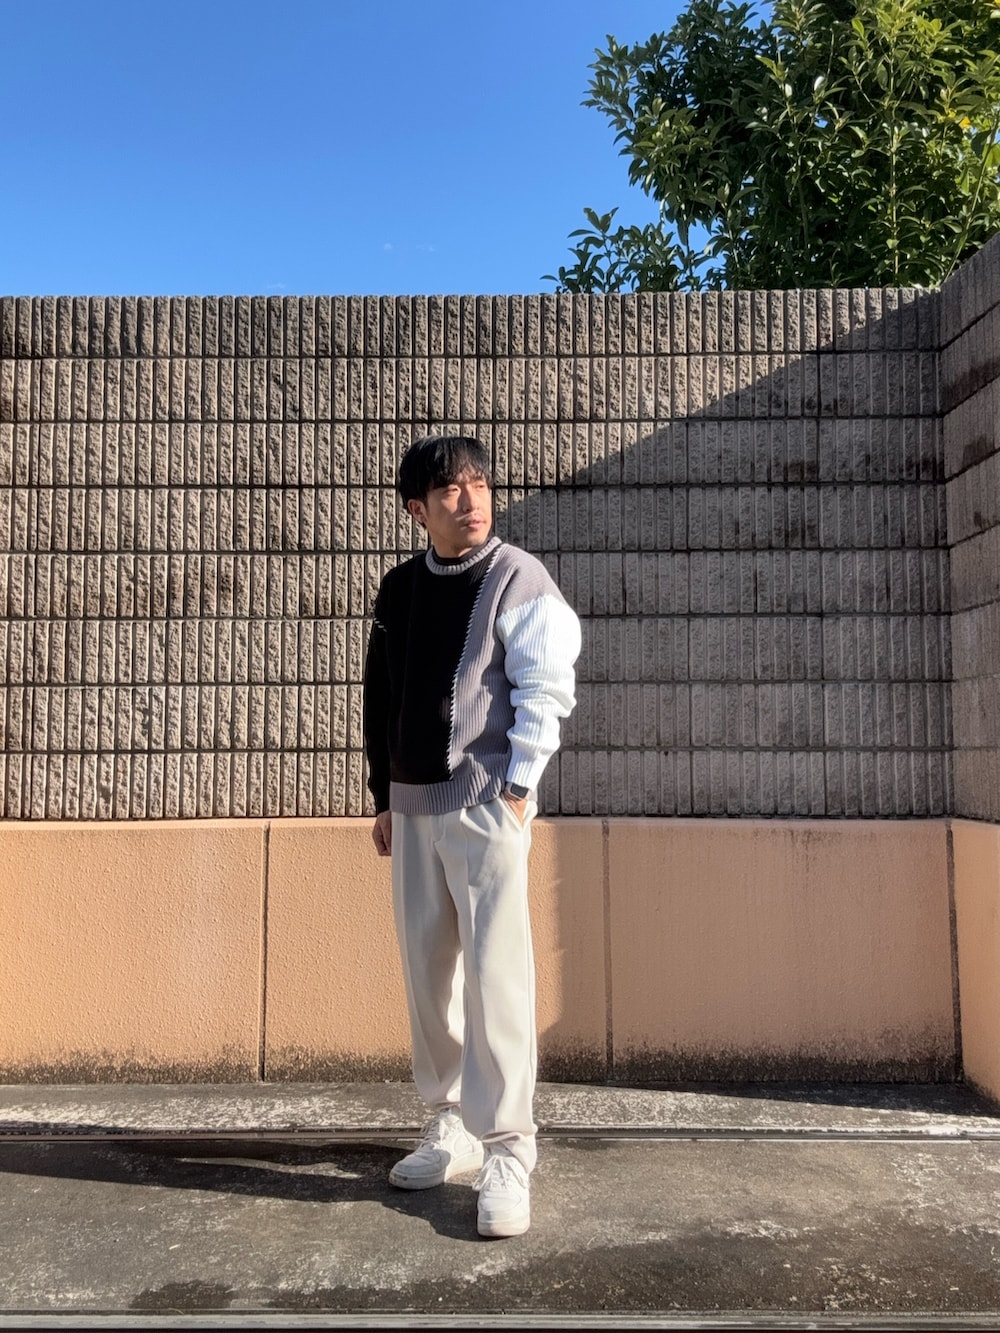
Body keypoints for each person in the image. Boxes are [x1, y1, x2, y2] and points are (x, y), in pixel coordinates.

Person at [363, 433, 581, 1238]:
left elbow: (546, 686)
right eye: (451, 489)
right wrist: (382, 795)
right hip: (413, 806)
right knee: (428, 974)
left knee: (497, 976)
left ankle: (509, 1147)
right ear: (417, 509)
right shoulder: (398, 588)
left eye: (480, 484)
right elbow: (382, 693)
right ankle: (450, 1123)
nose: (471, 500)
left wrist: (519, 787)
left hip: (489, 802)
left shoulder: (517, 576)